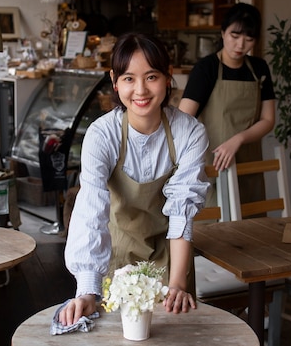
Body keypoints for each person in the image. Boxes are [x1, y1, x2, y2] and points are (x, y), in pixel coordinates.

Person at [58, 32, 210, 326]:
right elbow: (91, 209)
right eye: (129, 78)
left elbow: (181, 211)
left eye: (151, 77)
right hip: (115, 257)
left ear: (168, 77)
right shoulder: (102, 135)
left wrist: (177, 282)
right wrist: (88, 291)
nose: (140, 90)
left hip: (170, 258)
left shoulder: (189, 132)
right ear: (114, 80)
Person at [179, 3, 275, 206]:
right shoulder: (206, 68)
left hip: (249, 162)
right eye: (235, 36)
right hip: (212, 163)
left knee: (251, 225)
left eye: (248, 39)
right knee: (214, 227)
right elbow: (183, 121)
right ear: (223, 32)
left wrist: (238, 139)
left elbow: (268, 120)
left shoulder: (259, 68)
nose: (241, 45)